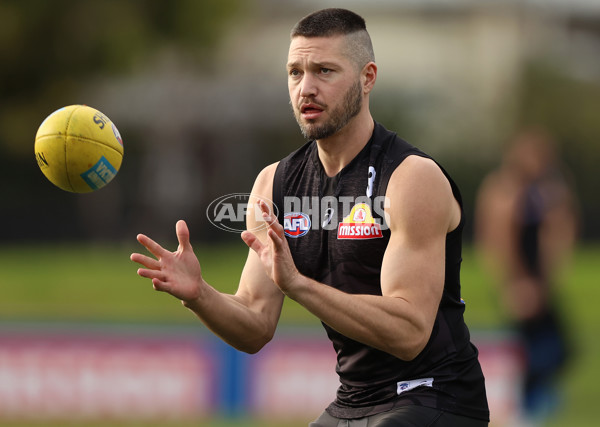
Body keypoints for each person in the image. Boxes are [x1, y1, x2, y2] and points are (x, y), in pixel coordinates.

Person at [131, 8, 489, 426]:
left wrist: (299, 285)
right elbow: (255, 324)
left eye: (324, 71)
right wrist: (199, 295)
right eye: (295, 72)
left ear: (367, 77)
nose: (306, 88)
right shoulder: (275, 185)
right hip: (353, 402)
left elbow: (408, 333)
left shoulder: (410, 178)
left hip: (435, 395)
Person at [475, 128, 578, 424]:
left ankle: (529, 403)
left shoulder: (545, 189)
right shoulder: (504, 190)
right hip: (519, 283)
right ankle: (520, 408)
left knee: (556, 347)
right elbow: (498, 240)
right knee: (529, 349)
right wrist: (514, 284)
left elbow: (560, 229)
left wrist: (545, 281)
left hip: (539, 283)